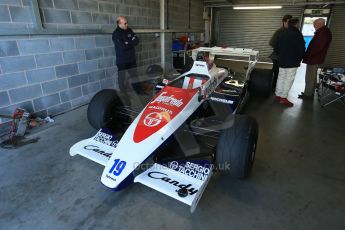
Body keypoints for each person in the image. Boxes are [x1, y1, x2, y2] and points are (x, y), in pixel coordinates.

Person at [274, 17, 305, 107]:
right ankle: (283, 98)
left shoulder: (283, 33)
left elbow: (276, 48)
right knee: (289, 79)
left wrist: (281, 55)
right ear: (296, 24)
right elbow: (301, 49)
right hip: (292, 61)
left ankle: (278, 95)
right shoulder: (297, 34)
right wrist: (300, 58)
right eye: (298, 24)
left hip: (282, 60)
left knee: (281, 77)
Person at [299, 18, 332, 99]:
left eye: (315, 24)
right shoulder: (323, 31)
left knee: (310, 77)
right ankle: (310, 93)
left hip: (314, 58)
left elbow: (318, 47)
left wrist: (308, 55)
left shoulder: (323, 32)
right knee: (312, 77)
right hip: (315, 58)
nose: (314, 26)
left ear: (320, 24)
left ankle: (307, 94)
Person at [112, 16, 143, 94]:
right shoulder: (116, 34)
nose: (127, 25)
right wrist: (130, 42)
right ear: (119, 24)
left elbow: (136, 41)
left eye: (127, 23)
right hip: (122, 60)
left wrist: (127, 43)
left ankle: (139, 91)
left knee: (135, 76)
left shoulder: (129, 30)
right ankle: (123, 94)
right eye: (125, 23)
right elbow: (122, 47)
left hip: (131, 59)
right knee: (122, 78)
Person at [269, 14, 293, 91]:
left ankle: (278, 87)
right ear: (284, 22)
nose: (290, 24)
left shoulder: (291, 31)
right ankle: (273, 86)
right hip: (277, 56)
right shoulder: (279, 31)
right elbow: (272, 43)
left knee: (283, 73)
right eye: (288, 22)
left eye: (291, 22)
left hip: (286, 57)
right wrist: (281, 49)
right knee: (276, 72)